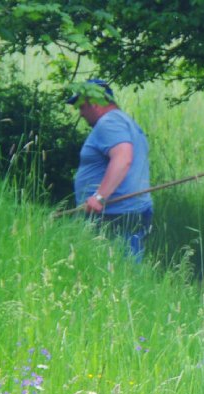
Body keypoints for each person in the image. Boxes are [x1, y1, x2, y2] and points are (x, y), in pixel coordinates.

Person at [68, 79, 153, 261]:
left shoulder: (109, 123)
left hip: (114, 213)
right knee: (127, 266)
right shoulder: (125, 122)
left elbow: (123, 158)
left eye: (82, 107)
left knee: (112, 270)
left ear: (96, 103)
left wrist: (99, 197)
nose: (81, 114)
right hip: (129, 209)